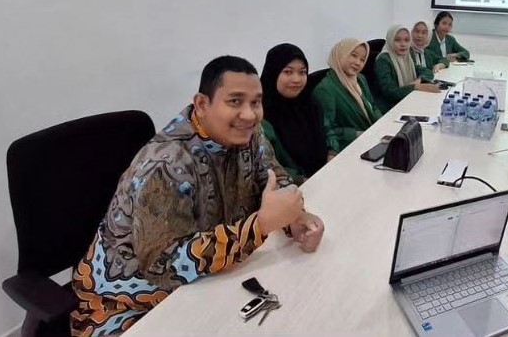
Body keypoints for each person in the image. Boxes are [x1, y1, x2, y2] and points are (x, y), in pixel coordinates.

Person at [70, 56, 324, 336]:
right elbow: (162, 265)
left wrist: (294, 216)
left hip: (214, 275)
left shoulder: (248, 132)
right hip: (128, 302)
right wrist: (260, 226)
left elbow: (271, 175)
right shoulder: (164, 165)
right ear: (202, 104)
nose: (249, 115)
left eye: (256, 102)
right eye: (235, 101)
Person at [259, 44, 329, 184]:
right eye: (288, 72)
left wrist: (331, 153)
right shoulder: (261, 116)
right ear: (273, 73)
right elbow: (265, 166)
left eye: (302, 72)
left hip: (326, 176)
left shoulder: (310, 103)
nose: (297, 79)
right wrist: (301, 180)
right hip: (293, 187)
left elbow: (328, 131)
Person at [313, 38, 382, 155]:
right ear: (341, 54)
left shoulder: (360, 79)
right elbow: (326, 130)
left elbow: (373, 105)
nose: (358, 63)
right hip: (350, 147)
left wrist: (383, 123)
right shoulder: (325, 89)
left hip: (371, 137)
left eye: (362, 59)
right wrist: (355, 134)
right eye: (354, 55)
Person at [376, 24, 439, 113]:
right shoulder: (383, 60)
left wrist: (419, 79)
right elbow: (389, 92)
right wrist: (415, 87)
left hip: (406, 100)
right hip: (390, 108)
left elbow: (427, 71)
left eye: (406, 40)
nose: (403, 44)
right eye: (397, 40)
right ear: (390, 40)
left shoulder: (406, 57)